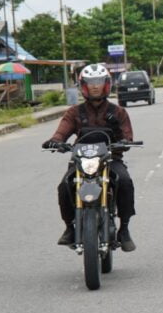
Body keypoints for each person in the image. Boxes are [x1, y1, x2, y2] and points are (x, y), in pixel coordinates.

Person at [42, 63, 138, 252]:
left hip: (110, 160)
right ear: (83, 85)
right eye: (91, 82)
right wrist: (55, 141)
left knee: (125, 182)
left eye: (99, 82)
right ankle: (69, 228)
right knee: (64, 186)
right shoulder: (74, 112)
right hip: (81, 163)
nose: (95, 86)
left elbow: (128, 137)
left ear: (107, 84)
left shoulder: (118, 112)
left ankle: (124, 229)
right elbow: (61, 132)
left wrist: (124, 140)